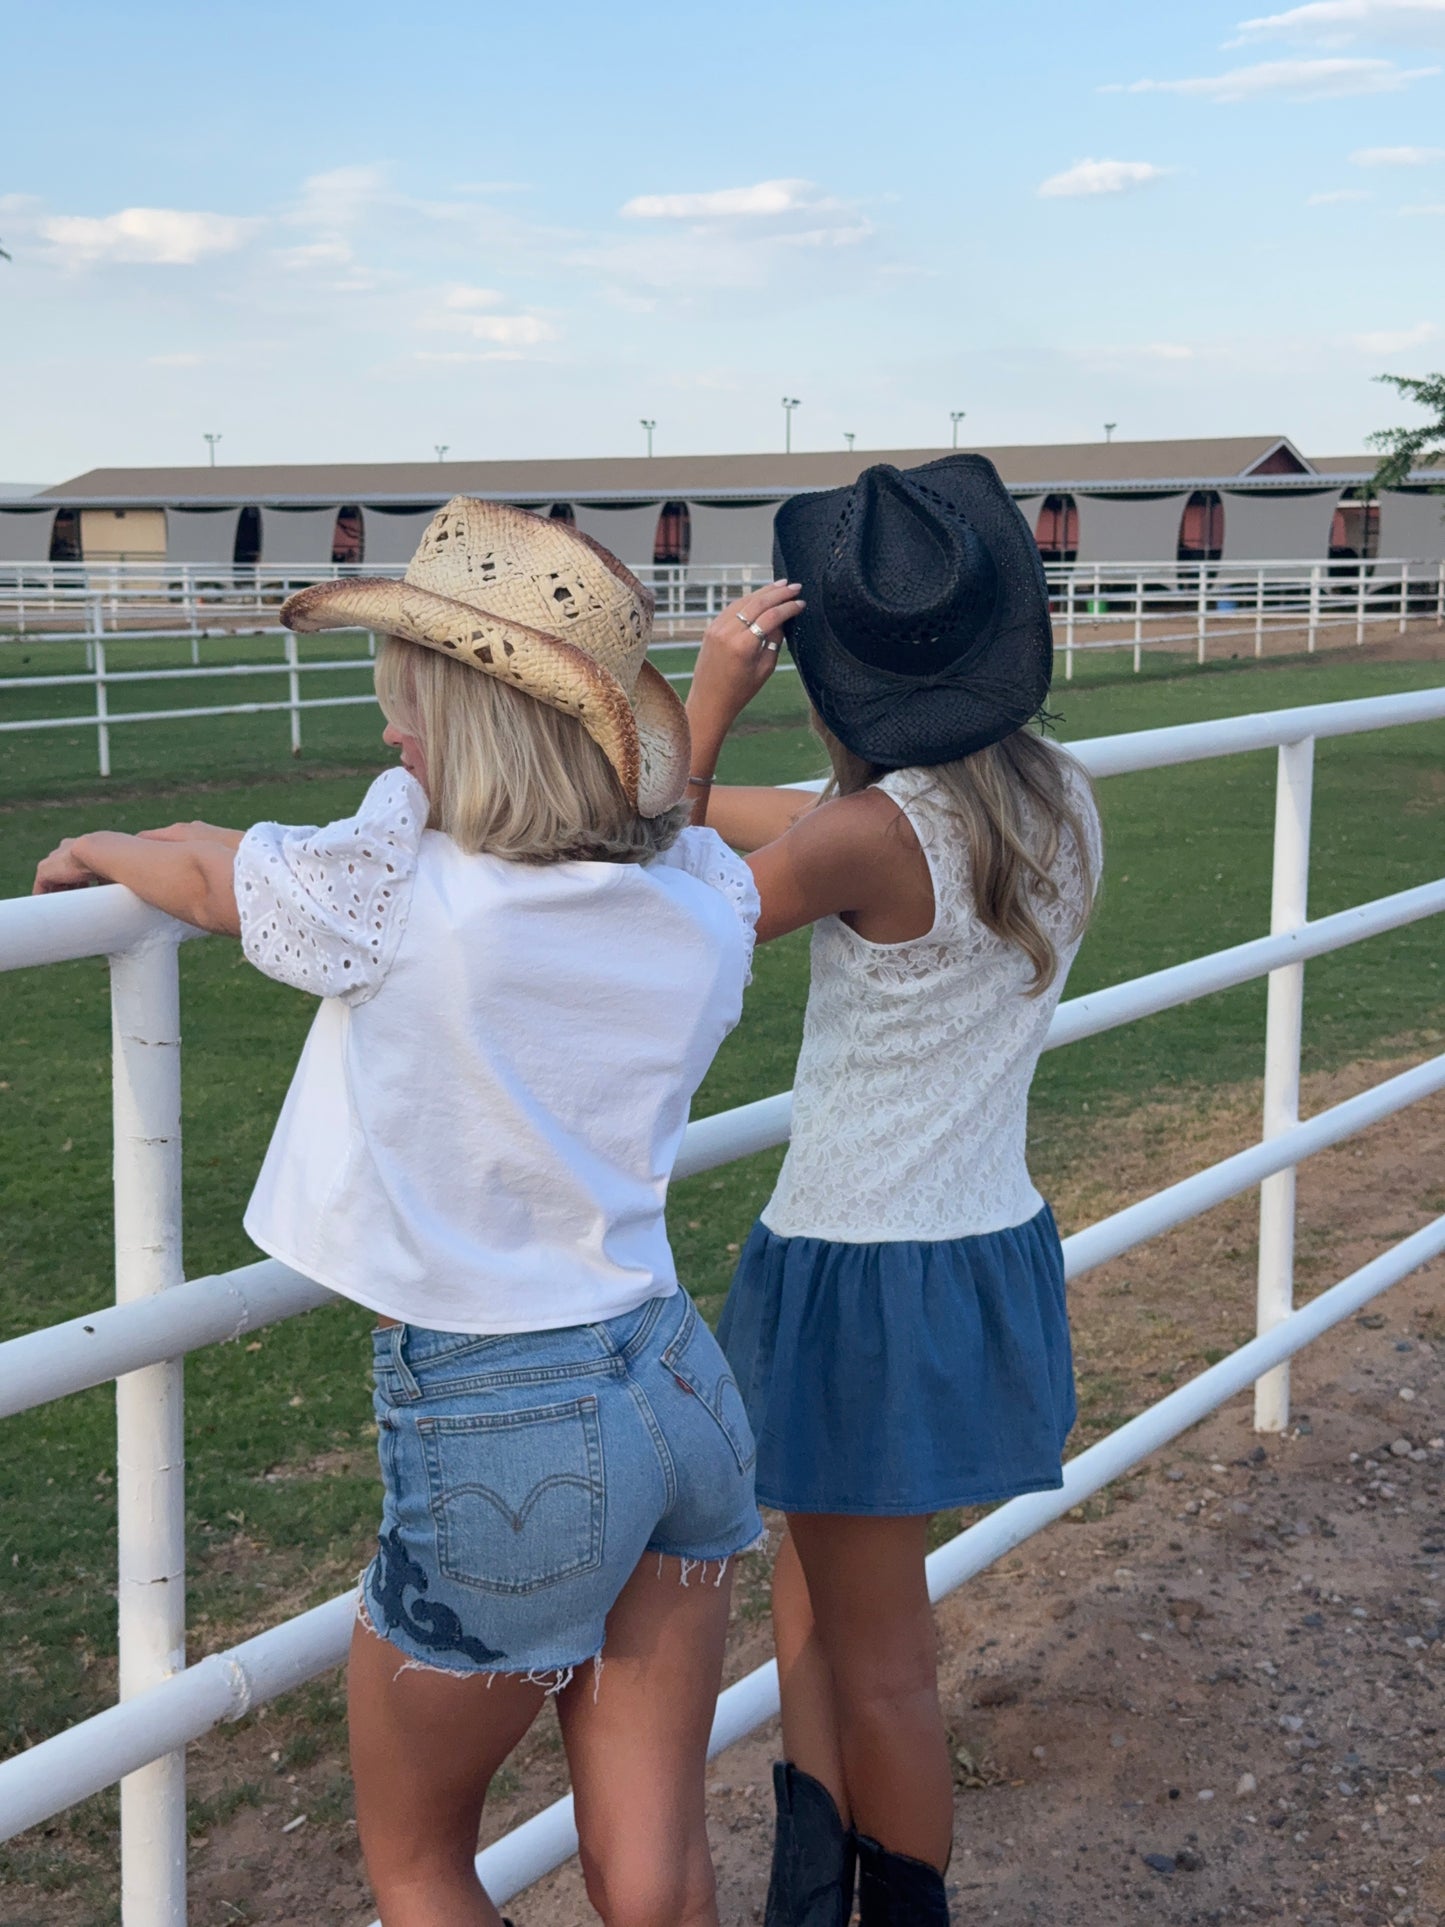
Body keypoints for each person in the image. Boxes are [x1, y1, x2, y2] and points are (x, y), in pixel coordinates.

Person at [33, 498, 780, 1927]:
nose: (394, 743)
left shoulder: (395, 903)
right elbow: (671, 821)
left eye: (413, 716)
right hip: (671, 1373)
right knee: (659, 1873)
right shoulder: (696, 900)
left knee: (422, 1868)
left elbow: (203, 868)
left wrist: (107, 845)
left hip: (499, 1410)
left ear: (479, 738)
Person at [684, 456, 1102, 1927]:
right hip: (969, 1239)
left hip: (862, 1263)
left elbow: (665, 889)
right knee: (822, 1611)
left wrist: (700, 705)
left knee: (873, 1659)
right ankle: (812, 1895)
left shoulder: (865, 836)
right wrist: (736, 781)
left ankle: (890, 1908)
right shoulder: (1051, 798)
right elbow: (772, 822)